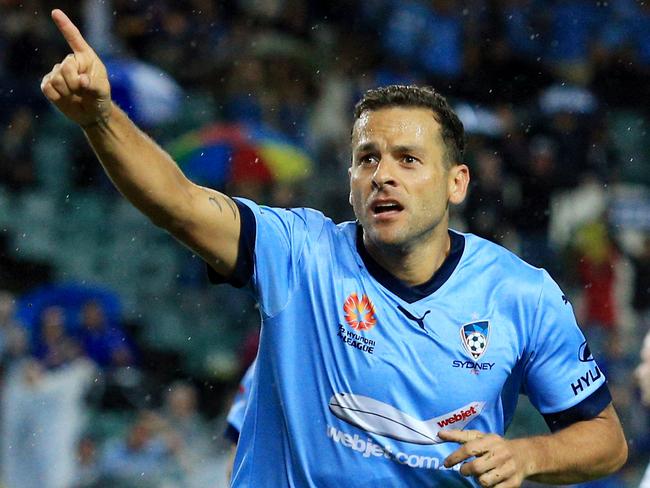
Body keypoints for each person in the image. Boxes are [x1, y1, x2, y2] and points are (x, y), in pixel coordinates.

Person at [40, 9, 627, 487]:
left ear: (458, 183)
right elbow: (178, 203)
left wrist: (526, 456)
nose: (382, 175)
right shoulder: (299, 253)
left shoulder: (521, 293)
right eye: (367, 158)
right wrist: (100, 117)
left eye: (408, 159)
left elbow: (606, 439)